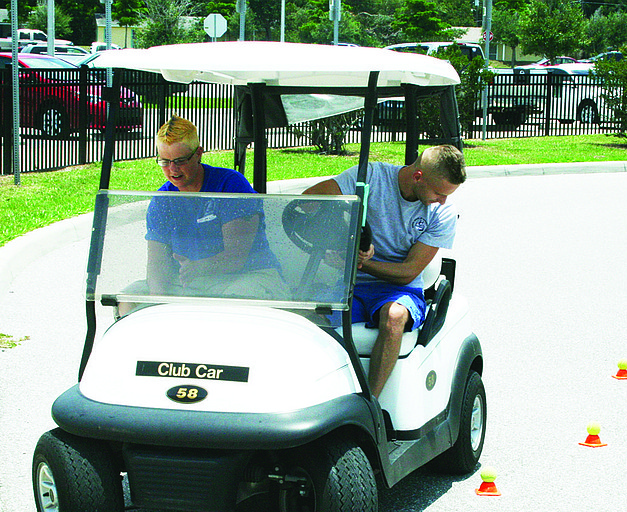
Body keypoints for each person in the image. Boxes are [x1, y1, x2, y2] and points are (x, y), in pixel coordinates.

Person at [303, 145, 466, 398]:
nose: (443, 200)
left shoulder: (442, 212)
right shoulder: (371, 177)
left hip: (399, 290)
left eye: (446, 194)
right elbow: (310, 200)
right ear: (418, 176)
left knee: (394, 316)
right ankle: (315, 397)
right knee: (303, 319)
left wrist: (361, 263)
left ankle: (370, 406)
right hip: (351, 285)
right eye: (438, 192)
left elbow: (408, 273)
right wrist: (345, 234)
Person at [128, 115, 282, 308]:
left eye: (180, 160)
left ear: (199, 153)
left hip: (249, 276)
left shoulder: (231, 185)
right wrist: (158, 302)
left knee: (231, 306)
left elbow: (236, 258)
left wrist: (199, 268)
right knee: (129, 298)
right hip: (191, 280)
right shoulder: (163, 199)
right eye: (165, 162)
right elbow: (157, 264)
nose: (172, 169)